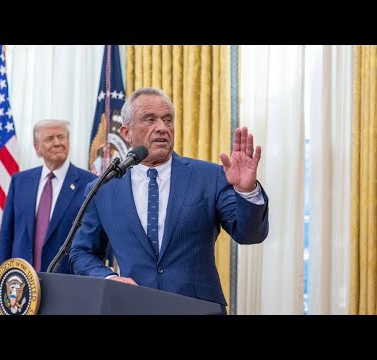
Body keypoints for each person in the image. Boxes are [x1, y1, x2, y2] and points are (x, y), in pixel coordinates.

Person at [69, 87, 269, 313]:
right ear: (126, 133)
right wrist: (108, 278)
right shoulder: (102, 188)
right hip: (132, 307)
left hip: (197, 308)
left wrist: (247, 190)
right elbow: (82, 252)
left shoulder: (209, 176)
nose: (162, 128)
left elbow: (250, 234)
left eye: (168, 120)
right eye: (150, 119)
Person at [0, 119, 97, 273]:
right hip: (21, 281)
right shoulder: (20, 182)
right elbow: (6, 235)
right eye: (49, 138)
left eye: (61, 137)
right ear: (37, 148)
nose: (57, 143)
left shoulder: (89, 183)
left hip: (68, 281)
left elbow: (97, 239)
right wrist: (2, 275)